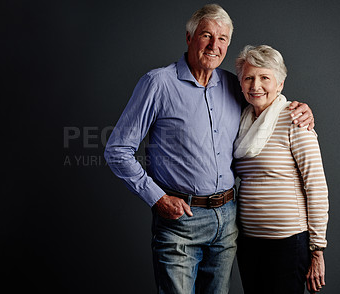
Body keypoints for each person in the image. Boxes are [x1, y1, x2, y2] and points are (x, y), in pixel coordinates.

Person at [104, 4, 314, 294]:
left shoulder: (233, 84)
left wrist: (299, 108)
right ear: (189, 38)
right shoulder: (158, 84)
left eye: (223, 38)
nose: (215, 45)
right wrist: (158, 199)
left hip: (228, 220)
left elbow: (267, 106)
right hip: (179, 221)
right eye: (206, 35)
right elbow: (117, 150)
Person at [233, 44, 329, 294]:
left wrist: (317, 249)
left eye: (265, 77)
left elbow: (316, 185)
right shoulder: (240, 120)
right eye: (249, 78)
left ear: (280, 84)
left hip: (288, 244)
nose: (256, 86)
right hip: (248, 242)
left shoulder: (295, 119)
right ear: (241, 84)